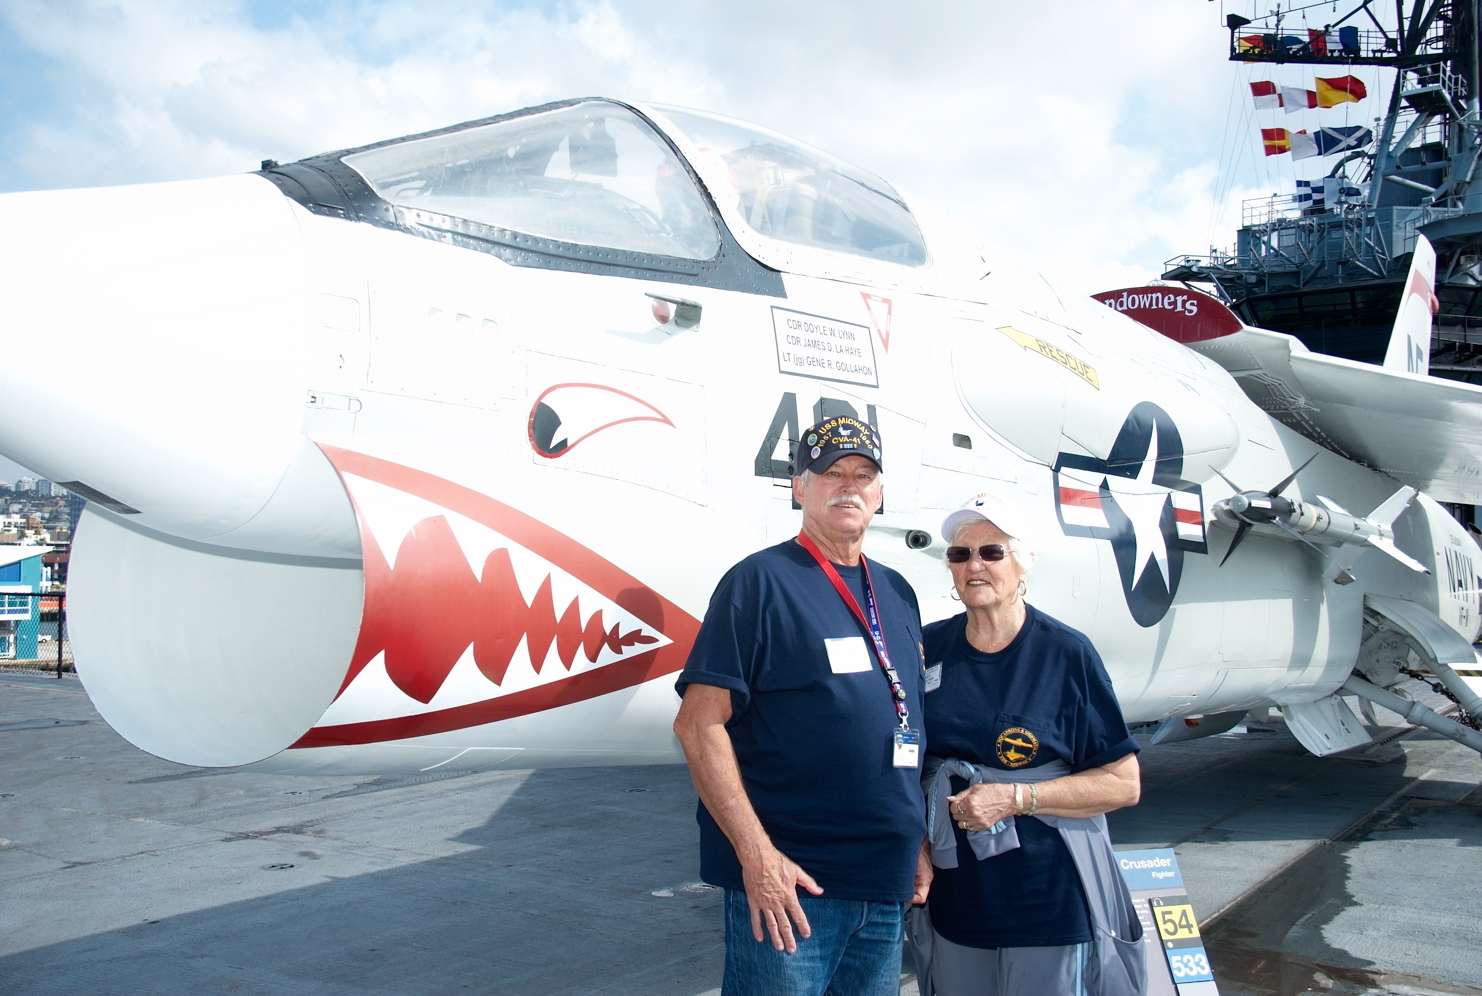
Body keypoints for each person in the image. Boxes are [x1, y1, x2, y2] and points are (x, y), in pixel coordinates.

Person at [672, 416, 929, 996]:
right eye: (831, 472)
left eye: (864, 474)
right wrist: (757, 857)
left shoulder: (897, 590)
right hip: (791, 890)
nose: (849, 485)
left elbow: (904, 722)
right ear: (799, 487)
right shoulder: (759, 583)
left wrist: (913, 838)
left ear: (880, 492)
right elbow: (698, 725)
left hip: (884, 882)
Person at [911, 493, 1145, 996]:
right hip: (956, 897)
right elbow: (908, 758)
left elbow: (1123, 785)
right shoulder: (929, 648)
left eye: (991, 552)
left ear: (1023, 564)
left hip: (1046, 900)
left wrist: (1016, 798)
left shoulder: (1066, 654)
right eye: (960, 554)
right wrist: (916, 842)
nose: (974, 565)